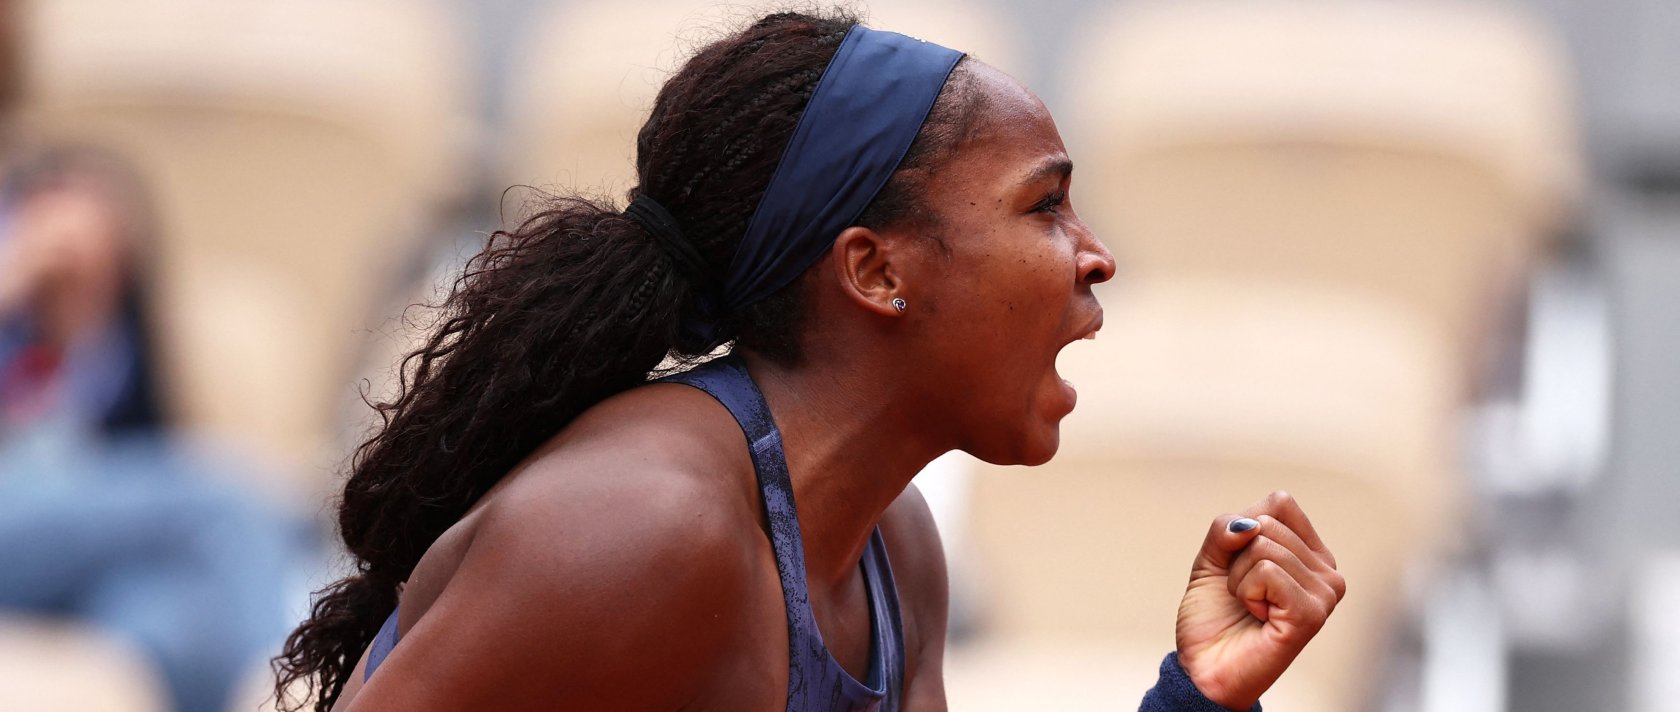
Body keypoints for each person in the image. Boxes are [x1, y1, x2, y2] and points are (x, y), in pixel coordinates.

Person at [275, 11, 1346, 712]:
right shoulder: (644, 531)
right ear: (875, 271)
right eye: (1046, 204)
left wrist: (1195, 697)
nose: (1097, 255)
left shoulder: (894, 549)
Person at [0, 146, 304, 712]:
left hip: (55, 550)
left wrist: (81, 313)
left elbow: (100, 448)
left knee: (166, 620)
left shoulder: (106, 344)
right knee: (226, 503)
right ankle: (283, 689)